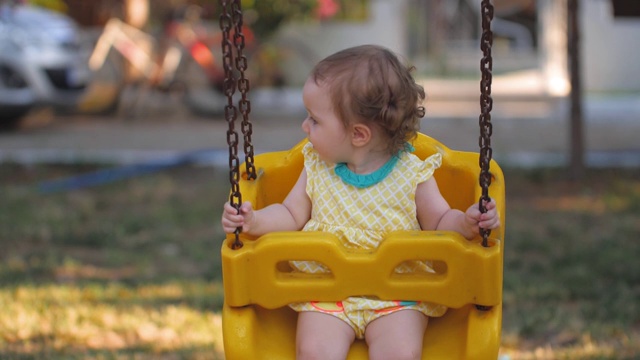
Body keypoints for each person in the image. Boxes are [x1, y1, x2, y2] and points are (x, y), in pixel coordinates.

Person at [221, 44, 500, 360]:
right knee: (313, 352)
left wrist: (467, 222)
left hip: (396, 292)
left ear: (358, 135)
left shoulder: (412, 174)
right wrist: (253, 221)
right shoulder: (315, 166)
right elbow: (289, 213)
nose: (304, 126)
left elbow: (438, 222)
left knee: (400, 353)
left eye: (314, 119)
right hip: (327, 291)